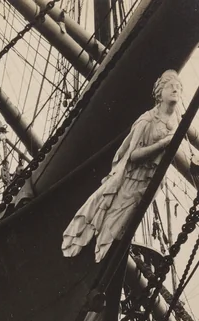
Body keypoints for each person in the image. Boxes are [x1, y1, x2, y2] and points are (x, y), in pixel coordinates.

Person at [62, 69, 186, 261]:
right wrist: (162, 144)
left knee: (120, 232)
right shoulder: (146, 121)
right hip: (130, 181)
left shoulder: (176, 121)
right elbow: (132, 156)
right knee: (109, 229)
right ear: (159, 93)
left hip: (150, 184)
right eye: (171, 86)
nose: (175, 89)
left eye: (179, 87)